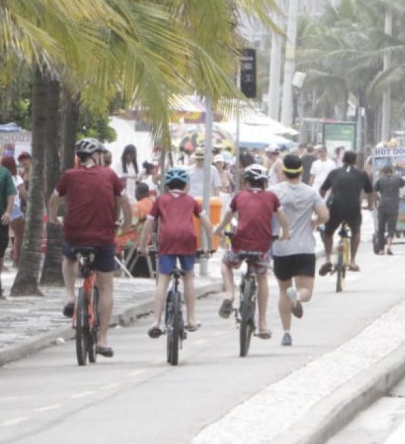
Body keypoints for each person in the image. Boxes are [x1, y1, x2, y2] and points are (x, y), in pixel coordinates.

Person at [48, 138, 133, 358]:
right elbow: (124, 203)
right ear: (96, 156)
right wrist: (125, 225)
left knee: (69, 256)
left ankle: (69, 296)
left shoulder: (69, 176)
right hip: (103, 237)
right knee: (106, 289)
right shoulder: (109, 175)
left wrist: (54, 219)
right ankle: (103, 340)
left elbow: (53, 199)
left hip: (74, 234)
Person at [214, 164, 290, 340]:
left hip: (240, 245)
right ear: (264, 183)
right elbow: (284, 221)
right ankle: (263, 325)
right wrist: (284, 235)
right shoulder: (272, 197)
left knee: (226, 263)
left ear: (246, 182)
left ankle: (230, 294)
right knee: (262, 277)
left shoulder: (239, 196)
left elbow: (227, 219)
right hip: (262, 247)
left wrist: (217, 232)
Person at [138, 168, 214, 338]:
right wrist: (209, 246)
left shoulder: (160, 201)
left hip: (168, 240)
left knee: (163, 279)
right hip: (188, 239)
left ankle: (156, 321)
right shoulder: (192, 201)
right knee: (188, 277)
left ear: (167, 186)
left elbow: (148, 226)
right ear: (186, 185)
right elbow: (207, 224)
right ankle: (192, 318)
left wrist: (142, 247)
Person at [272, 154, 329, 347]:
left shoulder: (274, 192)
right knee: (306, 290)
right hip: (304, 247)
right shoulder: (311, 193)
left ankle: (286, 333)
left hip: (281, 247)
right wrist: (315, 222)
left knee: (283, 290)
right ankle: (297, 297)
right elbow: (324, 215)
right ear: (301, 171)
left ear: (283, 171)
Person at [318, 150, 372, 275]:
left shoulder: (334, 173)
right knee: (356, 232)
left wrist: (323, 203)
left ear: (342, 161)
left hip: (336, 206)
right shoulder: (362, 174)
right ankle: (352, 260)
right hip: (353, 207)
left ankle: (327, 258)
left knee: (328, 232)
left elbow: (322, 190)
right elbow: (370, 193)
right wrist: (370, 206)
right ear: (356, 161)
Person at [374, 164, 405, 256]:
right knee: (391, 227)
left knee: (381, 227)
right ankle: (389, 246)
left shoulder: (380, 180)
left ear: (383, 172)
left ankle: (381, 249)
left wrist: (378, 198)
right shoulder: (397, 179)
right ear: (392, 171)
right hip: (393, 205)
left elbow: (372, 191)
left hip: (382, 205)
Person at [0, 156, 26, 266]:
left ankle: (2, 261)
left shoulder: (0, 177)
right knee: (20, 236)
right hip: (14, 208)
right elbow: (23, 193)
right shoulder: (16, 178)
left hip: (2, 207)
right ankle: (17, 260)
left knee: (2, 235)